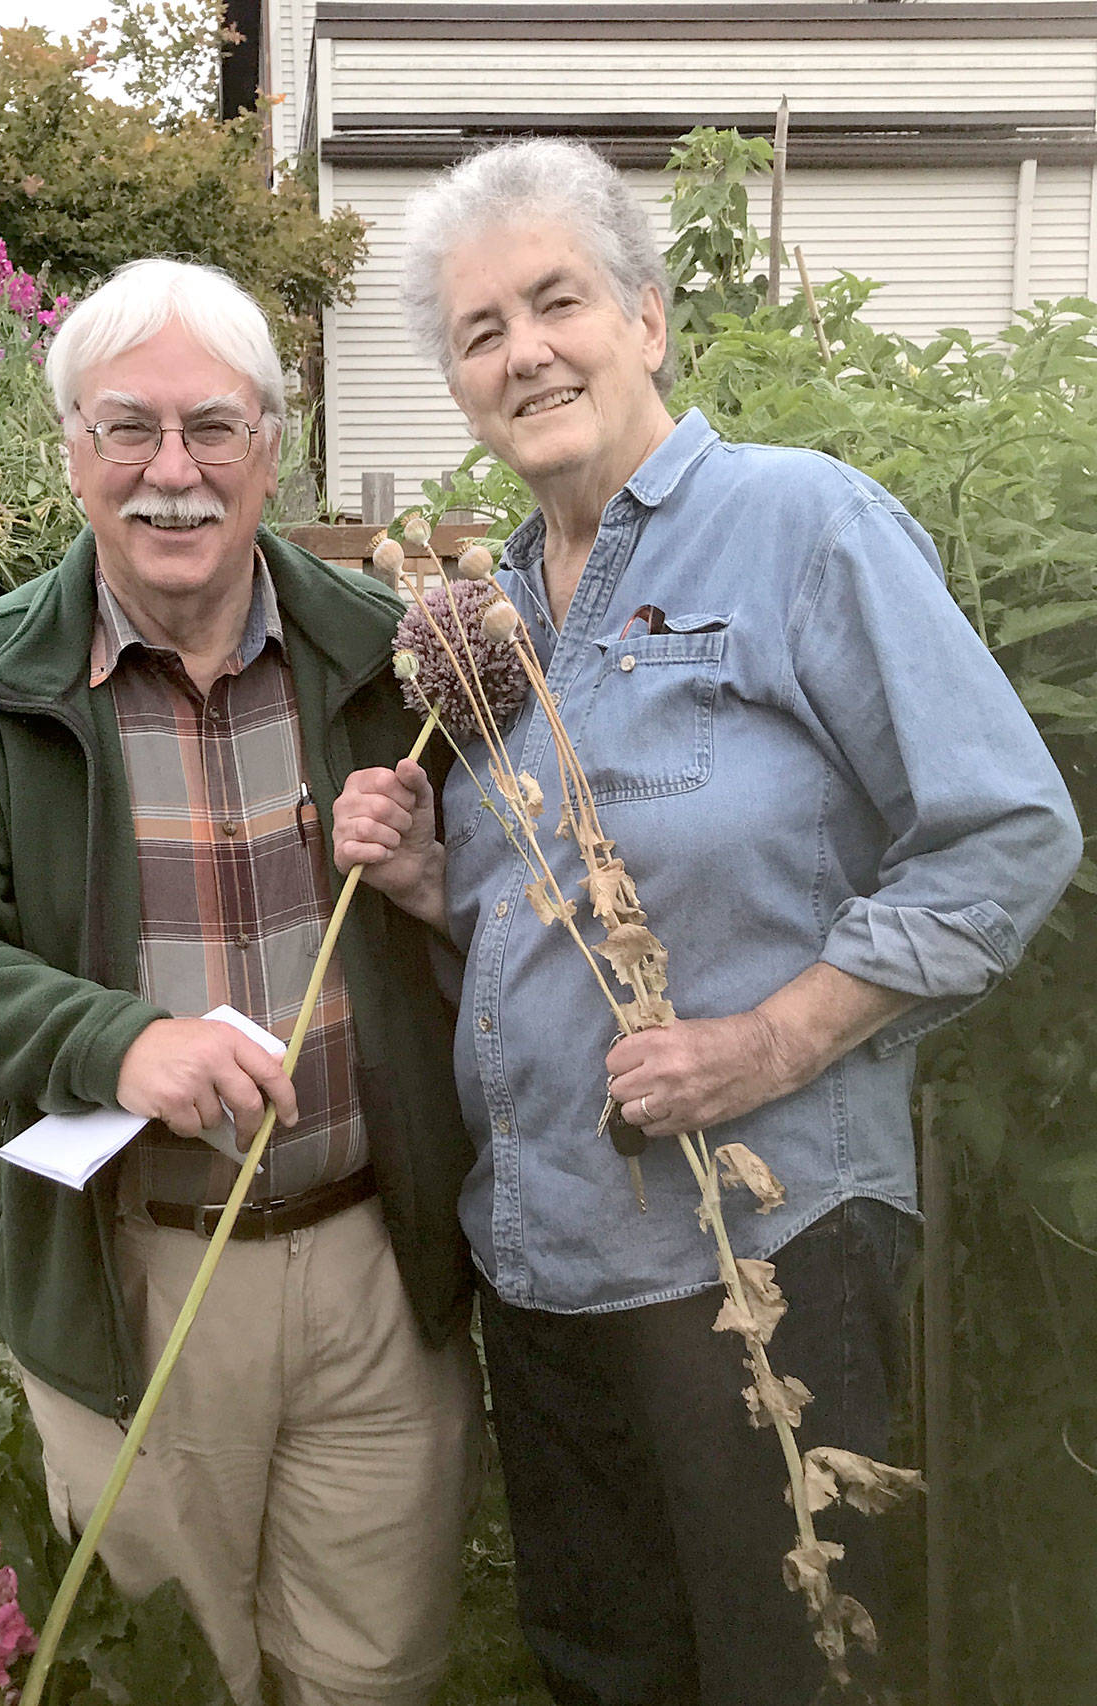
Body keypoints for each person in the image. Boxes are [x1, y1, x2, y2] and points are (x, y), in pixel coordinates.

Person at [331, 140, 1083, 1706]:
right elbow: (565, 932)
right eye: (481, 330)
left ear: (650, 319)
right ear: (460, 384)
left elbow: (1005, 831)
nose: (524, 349)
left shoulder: (803, 526)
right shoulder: (506, 622)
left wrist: (766, 1043)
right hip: (545, 1271)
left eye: (558, 302)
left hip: (766, 1254)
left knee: (791, 1666)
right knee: (607, 1671)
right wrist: (429, 891)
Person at [0, 258, 480, 1706]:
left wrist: (443, 884)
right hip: (141, 1271)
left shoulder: (389, 657)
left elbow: (527, 919)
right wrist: (116, 1042)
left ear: (270, 443)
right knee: (166, 1674)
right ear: (71, 451)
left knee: (373, 1673)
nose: (171, 473)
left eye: (211, 428)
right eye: (127, 429)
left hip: (381, 1268)